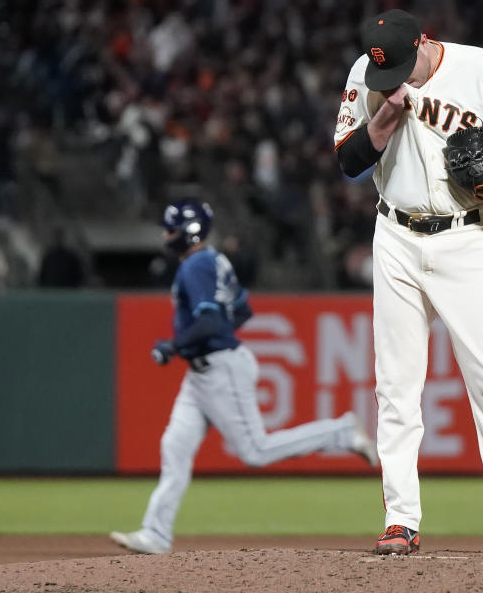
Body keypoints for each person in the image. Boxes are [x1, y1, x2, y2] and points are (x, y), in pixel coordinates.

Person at [334, 9, 483, 555]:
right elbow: (348, 162)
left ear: (424, 42)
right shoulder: (367, 75)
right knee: (396, 387)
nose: (393, 81)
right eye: (382, 73)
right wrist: (384, 117)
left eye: (401, 70)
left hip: (467, 239)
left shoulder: (482, 68)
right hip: (395, 237)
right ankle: (400, 520)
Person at [111, 199, 378, 555]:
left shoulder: (196, 266)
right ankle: (156, 534)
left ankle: (342, 432)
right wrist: (207, 338)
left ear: (189, 232)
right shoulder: (215, 260)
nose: (166, 234)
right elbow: (241, 310)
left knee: (255, 450)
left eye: (171, 229)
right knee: (174, 447)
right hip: (203, 373)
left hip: (220, 368)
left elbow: (209, 320)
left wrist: (174, 345)